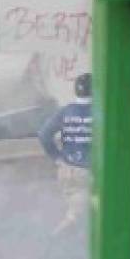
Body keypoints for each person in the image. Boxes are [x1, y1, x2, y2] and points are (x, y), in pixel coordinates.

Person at [38, 72, 93, 233]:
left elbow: (44, 134)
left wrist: (57, 158)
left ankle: (55, 237)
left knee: (75, 213)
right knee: (90, 216)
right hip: (91, 172)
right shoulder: (99, 112)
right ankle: (57, 241)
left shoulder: (66, 111)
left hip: (68, 170)